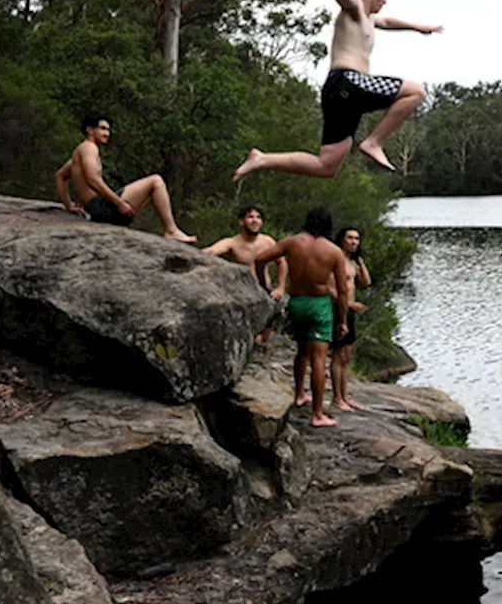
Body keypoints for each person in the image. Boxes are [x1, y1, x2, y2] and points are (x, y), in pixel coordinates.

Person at [233, 0, 441, 181]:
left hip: (339, 93)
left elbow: (390, 22)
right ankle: (374, 142)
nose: (385, 1)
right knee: (415, 92)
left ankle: (262, 159)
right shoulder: (354, 8)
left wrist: (419, 28)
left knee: (326, 166)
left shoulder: (371, 20)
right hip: (348, 81)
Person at [253, 206, 350, 427]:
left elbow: (260, 259)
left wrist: (264, 285)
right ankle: (317, 414)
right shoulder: (333, 251)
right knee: (318, 359)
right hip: (319, 304)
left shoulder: (292, 242)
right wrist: (342, 319)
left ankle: (299, 395)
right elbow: (343, 291)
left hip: (296, 302)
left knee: (302, 352)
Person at [54, 113, 196, 243]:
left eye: (108, 130)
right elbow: (92, 179)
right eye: (102, 129)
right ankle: (171, 231)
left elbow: (60, 175)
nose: (107, 133)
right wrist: (119, 203)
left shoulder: (80, 152)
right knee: (155, 181)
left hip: (97, 209)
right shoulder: (89, 148)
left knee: (150, 189)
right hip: (101, 209)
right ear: (90, 130)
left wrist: (69, 206)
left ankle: (171, 230)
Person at [203, 204, 287, 343]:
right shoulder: (232, 243)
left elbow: (281, 262)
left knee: (276, 313)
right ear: (241, 221)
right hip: (243, 294)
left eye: (258, 217)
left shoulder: (267, 241)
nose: (255, 220)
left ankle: (261, 340)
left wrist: (280, 287)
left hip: (265, 291)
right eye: (250, 217)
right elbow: (212, 251)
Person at [329, 227, 371, 412]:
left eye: (357, 239)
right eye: (350, 238)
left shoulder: (352, 261)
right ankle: (336, 398)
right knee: (338, 356)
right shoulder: (335, 259)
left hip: (350, 311)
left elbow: (366, 282)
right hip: (338, 310)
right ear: (342, 239)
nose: (354, 242)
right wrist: (349, 305)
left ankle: (345, 396)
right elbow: (331, 288)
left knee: (346, 357)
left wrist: (360, 261)